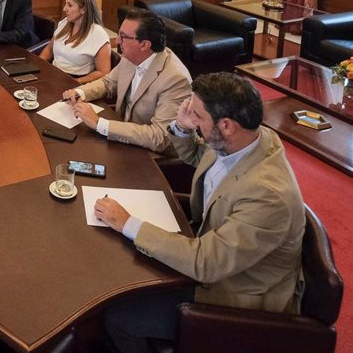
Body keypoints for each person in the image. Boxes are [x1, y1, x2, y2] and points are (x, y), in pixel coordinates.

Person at [96, 72, 306, 352]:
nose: (192, 118)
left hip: (236, 293)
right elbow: (200, 157)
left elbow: (207, 263)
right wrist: (184, 129)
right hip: (208, 247)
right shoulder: (247, 139)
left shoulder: (268, 195)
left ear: (227, 125)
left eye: (197, 116)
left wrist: (128, 224)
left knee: (119, 316)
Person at [62, 8, 191, 154]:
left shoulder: (175, 80)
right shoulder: (131, 56)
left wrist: (99, 123)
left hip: (149, 155)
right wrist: (80, 92)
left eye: (123, 37)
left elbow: (159, 137)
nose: (117, 41)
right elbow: (108, 82)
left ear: (145, 45)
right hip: (121, 138)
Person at [39, 0, 111, 83]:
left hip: (77, 80)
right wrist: (38, 65)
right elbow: (49, 49)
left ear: (83, 9)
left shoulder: (98, 34)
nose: (65, 9)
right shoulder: (65, 23)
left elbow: (103, 72)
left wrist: (76, 81)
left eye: (70, 5)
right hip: (54, 74)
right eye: (66, 4)